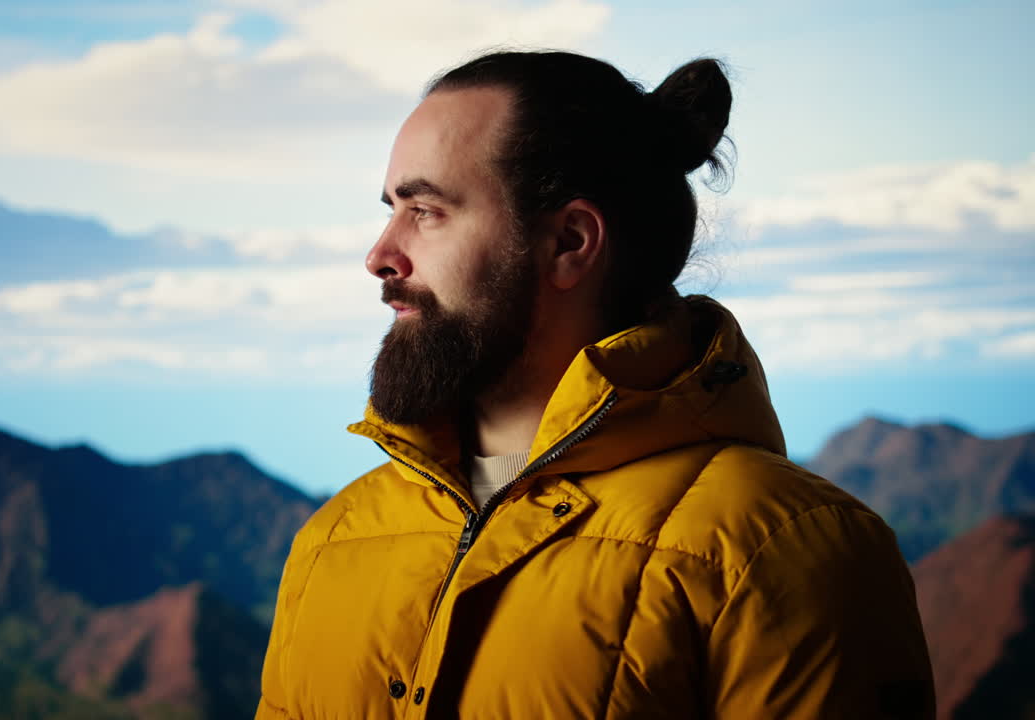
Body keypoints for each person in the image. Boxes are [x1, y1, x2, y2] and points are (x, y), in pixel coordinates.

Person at [255, 50, 935, 719]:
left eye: (426, 211)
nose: (379, 255)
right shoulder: (332, 541)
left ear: (570, 243)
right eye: (390, 209)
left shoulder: (785, 551)